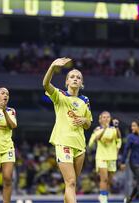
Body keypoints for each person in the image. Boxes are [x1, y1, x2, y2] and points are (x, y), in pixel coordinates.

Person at [43, 57, 92, 203]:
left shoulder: (85, 100)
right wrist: (52, 67)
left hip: (80, 146)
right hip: (64, 142)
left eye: (78, 77)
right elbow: (45, 84)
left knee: (71, 184)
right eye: (72, 77)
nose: (75, 79)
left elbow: (88, 123)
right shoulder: (60, 95)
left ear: (81, 83)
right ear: (67, 82)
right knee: (70, 182)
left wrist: (85, 120)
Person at [88, 111, 122, 203]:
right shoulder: (97, 129)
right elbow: (91, 142)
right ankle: (103, 199)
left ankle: (103, 195)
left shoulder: (114, 129)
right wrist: (104, 129)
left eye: (108, 117)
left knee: (109, 181)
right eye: (104, 117)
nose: (106, 119)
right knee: (104, 178)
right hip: (101, 157)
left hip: (112, 157)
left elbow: (119, 140)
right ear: (100, 120)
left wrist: (117, 150)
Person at [120, 120, 139, 203]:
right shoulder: (130, 137)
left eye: (134, 126)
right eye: (131, 126)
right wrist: (123, 162)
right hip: (134, 161)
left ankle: (130, 198)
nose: (132, 127)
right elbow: (126, 150)